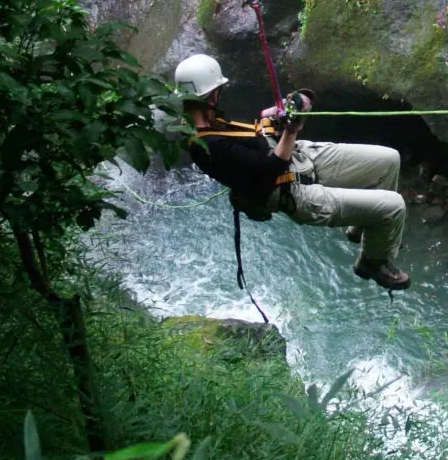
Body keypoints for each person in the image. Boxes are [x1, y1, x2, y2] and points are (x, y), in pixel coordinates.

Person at [174, 53, 410, 290]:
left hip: (299, 156)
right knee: (394, 206)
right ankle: (372, 261)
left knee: (390, 160)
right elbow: (270, 170)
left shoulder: (210, 122)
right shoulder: (207, 147)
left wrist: (283, 111)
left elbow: (253, 136)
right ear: (213, 95)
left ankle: (363, 230)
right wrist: (291, 130)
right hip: (292, 190)